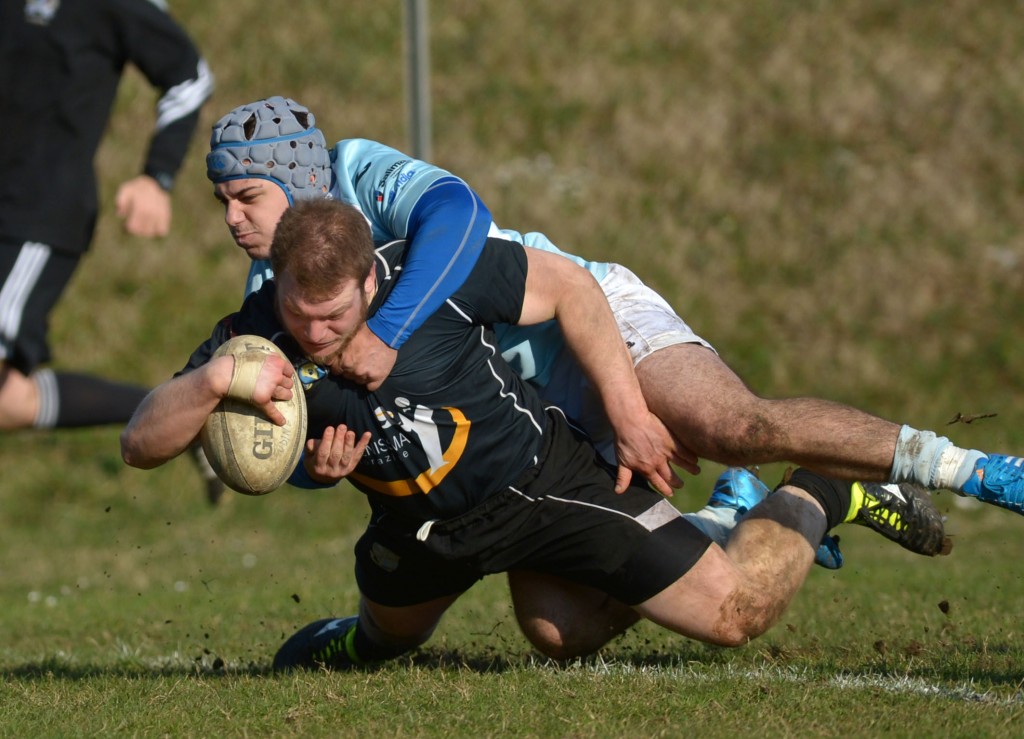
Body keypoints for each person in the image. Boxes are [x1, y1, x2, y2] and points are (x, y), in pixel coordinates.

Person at [120, 199, 949, 669]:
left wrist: (627, 411)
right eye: (301, 320)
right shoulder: (257, 335)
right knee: (381, 643)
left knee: (727, 613)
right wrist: (212, 380)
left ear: (371, 279)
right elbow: (141, 441)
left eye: (335, 319)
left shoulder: (432, 275)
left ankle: (826, 487)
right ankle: (365, 634)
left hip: (540, 484)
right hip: (419, 529)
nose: (318, 338)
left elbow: (575, 290)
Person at [0, 0, 218, 500]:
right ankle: (172, 411)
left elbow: (189, 76)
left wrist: (156, 176)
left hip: (33, 215)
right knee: (9, 400)